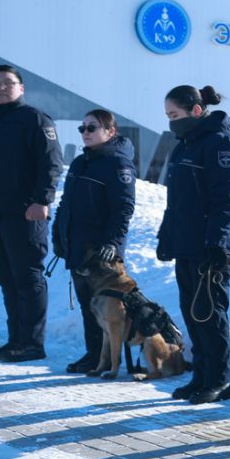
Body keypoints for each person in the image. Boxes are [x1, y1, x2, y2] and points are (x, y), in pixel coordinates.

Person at [157, 85, 230, 404]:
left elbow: (227, 200)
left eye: (175, 115)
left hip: (211, 245)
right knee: (191, 312)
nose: (171, 122)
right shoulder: (184, 145)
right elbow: (176, 200)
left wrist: (219, 243)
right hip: (187, 242)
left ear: (196, 110)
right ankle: (201, 377)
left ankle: (220, 381)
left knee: (211, 313)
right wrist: (168, 235)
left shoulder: (219, 142)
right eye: (168, 116)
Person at [0, 63, 64, 363]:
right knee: (6, 279)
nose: (0, 87)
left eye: (7, 82)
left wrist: (42, 199)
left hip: (23, 214)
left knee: (27, 278)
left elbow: (51, 163)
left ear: (20, 88)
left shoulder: (33, 119)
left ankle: (32, 343)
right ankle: (16, 340)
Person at [52, 109, 137, 373]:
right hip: (78, 246)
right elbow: (66, 203)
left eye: (92, 128)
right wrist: (58, 234)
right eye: (83, 128)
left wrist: (112, 243)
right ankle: (94, 355)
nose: (85, 133)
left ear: (110, 132)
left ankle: (109, 360)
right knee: (89, 307)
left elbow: (123, 208)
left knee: (105, 307)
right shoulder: (80, 162)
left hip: (101, 252)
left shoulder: (118, 164)